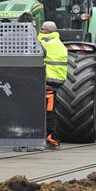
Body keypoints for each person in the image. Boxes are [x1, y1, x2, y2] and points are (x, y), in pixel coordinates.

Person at [37, 21, 68, 149]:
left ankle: (52, 140)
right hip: (54, 82)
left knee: (48, 112)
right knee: (49, 111)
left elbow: (37, 46)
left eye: (42, 29)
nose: (41, 31)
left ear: (48, 31)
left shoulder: (46, 42)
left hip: (48, 82)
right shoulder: (58, 43)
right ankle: (50, 138)